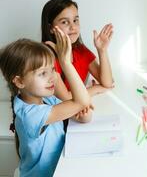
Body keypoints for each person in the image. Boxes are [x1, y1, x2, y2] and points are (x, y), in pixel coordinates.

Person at [0, 27, 90, 177]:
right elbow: (81, 102)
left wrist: (81, 112)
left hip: (60, 169)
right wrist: (66, 63)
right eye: (43, 73)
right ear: (20, 81)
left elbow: (82, 109)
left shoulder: (47, 99)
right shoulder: (31, 115)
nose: (52, 77)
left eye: (53, 69)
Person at [41, 0, 114, 104]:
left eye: (75, 20)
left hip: (77, 107)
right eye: (65, 22)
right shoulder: (45, 57)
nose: (73, 27)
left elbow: (107, 83)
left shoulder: (80, 50)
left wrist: (102, 50)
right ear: (51, 28)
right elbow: (65, 98)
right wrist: (96, 89)